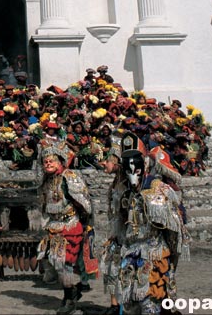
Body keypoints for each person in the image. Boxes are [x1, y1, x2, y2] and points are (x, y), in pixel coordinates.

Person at [102, 132, 188, 315]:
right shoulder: (122, 191)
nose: (132, 173)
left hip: (153, 250)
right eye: (127, 167)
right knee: (131, 303)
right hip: (130, 250)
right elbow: (119, 223)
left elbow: (173, 228)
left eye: (136, 166)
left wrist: (173, 256)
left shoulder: (157, 188)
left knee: (151, 303)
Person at [37, 142, 97, 314]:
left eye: (51, 161)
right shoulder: (47, 181)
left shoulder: (69, 177)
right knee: (52, 261)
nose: (48, 164)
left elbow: (83, 203)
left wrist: (84, 223)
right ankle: (73, 291)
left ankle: (69, 299)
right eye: (45, 161)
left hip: (70, 225)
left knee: (64, 263)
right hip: (53, 226)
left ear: (60, 162)